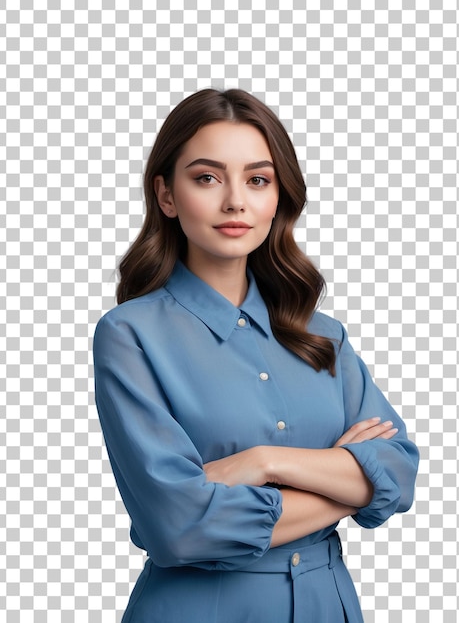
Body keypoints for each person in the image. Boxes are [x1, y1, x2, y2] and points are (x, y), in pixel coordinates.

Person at [93, 88, 419, 622]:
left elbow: (398, 470)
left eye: (257, 179)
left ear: (278, 198)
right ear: (167, 195)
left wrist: (262, 464)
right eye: (206, 178)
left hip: (327, 605)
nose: (235, 202)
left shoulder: (324, 335)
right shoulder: (130, 335)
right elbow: (179, 527)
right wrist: (349, 488)